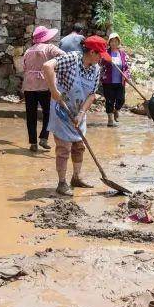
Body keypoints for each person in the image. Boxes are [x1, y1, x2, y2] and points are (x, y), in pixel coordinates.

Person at [42, 34, 106, 196]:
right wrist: (54, 91)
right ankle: (62, 183)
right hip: (62, 110)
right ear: (92, 52)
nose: (101, 58)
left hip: (79, 110)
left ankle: (76, 178)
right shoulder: (71, 58)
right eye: (100, 54)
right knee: (63, 148)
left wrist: (82, 113)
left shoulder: (96, 69)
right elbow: (47, 66)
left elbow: (92, 94)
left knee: (79, 146)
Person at [21, 25, 62, 152]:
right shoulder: (49, 47)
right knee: (48, 112)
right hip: (45, 84)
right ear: (47, 38)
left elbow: (24, 67)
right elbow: (63, 56)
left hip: (29, 86)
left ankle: (33, 143)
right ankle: (44, 137)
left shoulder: (28, 51)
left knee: (31, 115)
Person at [102, 33, 132, 127]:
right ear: (109, 42)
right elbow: (101, 64)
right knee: (109, 101)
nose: (114, 43)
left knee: (121, 99)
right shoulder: (105, 53)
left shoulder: (122, 54)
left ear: (118, 42)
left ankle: (116, 110)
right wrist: (106, 61)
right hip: (108, 81)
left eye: (115, 41)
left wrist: (126, 75)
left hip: (120, 82)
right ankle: (110, 119)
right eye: (112, 41)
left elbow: (127, 67)